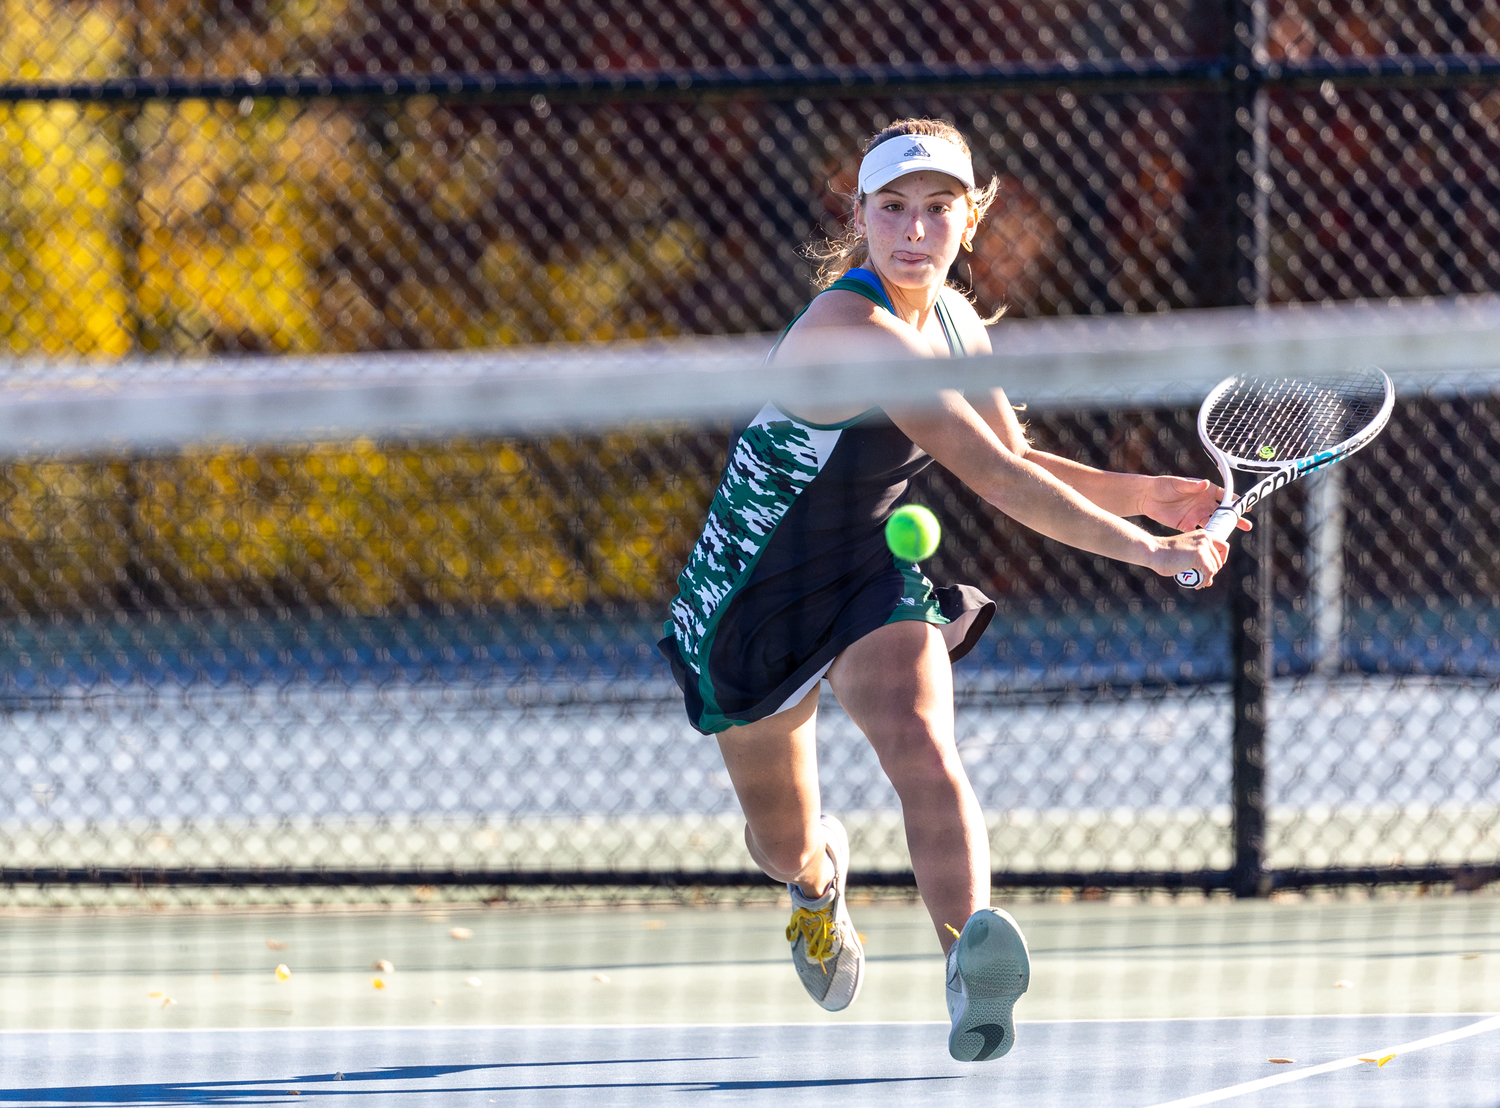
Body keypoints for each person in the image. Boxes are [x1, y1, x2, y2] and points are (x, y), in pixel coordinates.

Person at [657, 118, 1241, 1062]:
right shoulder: (853, 330)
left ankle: (968, 961)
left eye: (938, 210)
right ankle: (816, 888)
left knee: (926, 744)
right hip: (748, 597)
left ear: (971, 221)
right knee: (781, 844)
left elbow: (1011, 453)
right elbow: (998, 483)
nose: (915, 231)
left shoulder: (958, 323)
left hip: (866, 573)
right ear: (859, 218)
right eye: (893, 209)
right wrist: (1150, 553)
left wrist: (1144, 499)